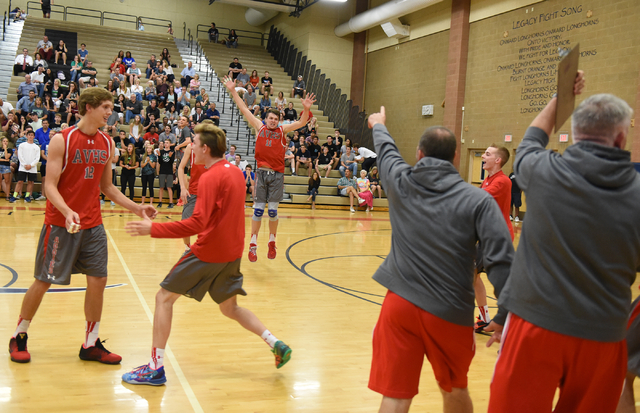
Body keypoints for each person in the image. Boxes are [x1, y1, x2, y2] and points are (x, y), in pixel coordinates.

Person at [486, 72, 640, 413]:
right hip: (604, 333)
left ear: (577, 133)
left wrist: (561, 97)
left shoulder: (542, 171)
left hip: (534, 325)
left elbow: (532, 138)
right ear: (621, 138)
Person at [366, 106, 513, 413]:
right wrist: (506, 312)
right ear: (456, 157)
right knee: (454, 388)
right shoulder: (479, 201)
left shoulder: (400, 181)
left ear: (419, 155)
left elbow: (387, 150)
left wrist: (378, 124)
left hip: (399, 306)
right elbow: (501, 260)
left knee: (395, 394)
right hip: (448, 311)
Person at [121, 123, 291, 386]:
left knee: (163, 298)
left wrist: (153, 229)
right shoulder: (235, 172)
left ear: (206, 148)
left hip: (209, 251)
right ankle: (275, 342)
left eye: (195, 144)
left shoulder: (211, 177)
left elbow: (196, 224)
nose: (192, 147)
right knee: (230, 308)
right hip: (232, 252)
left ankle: (155, 368)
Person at [8, 88, 158, 365]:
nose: (110, 112)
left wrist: (138, 207)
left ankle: (91, 343)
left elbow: (108, 188)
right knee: (43, 281)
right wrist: (66, 211)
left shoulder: (107, 143)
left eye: (111, 107)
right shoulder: (60, 140)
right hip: (60, 223)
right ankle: (19, 334)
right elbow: (49, 185)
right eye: (105, 107)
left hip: (93, 225)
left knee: (98, 280)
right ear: (88, 107)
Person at [224, 75, 315, 262]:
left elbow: (301, 123)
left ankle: (272, 241)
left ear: (279, 120)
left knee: (272, 211)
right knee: (258, 210)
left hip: (277, 176)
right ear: (266, 119)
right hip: (261, 173)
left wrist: (306, 109)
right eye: (270, 118)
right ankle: (253, 244)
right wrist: (233, 90)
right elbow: (243, 108)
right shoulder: (259, 127)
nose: (273, 121)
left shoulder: (283, 130)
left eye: (275, 119)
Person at [473, 144, 513, 333]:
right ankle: (484, 318)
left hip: (498, 237)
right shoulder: (488, 180)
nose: (483, 156)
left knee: (500, 282)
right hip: (486, 235)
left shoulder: (503, 181)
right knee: (472, 274)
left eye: (487, 154)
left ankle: (508, 322)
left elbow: (478, 198)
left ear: (498, 160)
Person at [177, 124, 209, 249]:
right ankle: (187, 248)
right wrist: (183, 188)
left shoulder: (214, 149)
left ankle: (204, 248)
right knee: (185, 223)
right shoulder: (191, 147)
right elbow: (180, 168)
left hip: (209, 192)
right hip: (193, 191)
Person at [10, 129, 40, 203]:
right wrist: (24, 165)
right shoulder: (22, 145)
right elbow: (20, 156)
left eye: (32, 135)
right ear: (26, 136)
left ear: (34, 136)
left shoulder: (36, 147)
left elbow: (37, 158)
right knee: (20, 181)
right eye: (29, 135)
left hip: (32, 168)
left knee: (30, 182)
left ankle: (27, 196)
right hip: (23, 167)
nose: (30, 136)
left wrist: (31, 165)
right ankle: (14, 196)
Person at [156, 138, 175, 208]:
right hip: (162, 171)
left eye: (167, 142)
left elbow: (171, 162)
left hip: (169, 171)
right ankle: (160, 202)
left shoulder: (172, 152)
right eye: (165, 142)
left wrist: (170, 157)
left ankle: (171, 203)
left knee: (169, 187)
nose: (166, 144)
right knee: (161, 187)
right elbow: (160, 162)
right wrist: (159, 156)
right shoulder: (161, 151)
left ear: (170, 144)